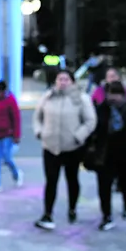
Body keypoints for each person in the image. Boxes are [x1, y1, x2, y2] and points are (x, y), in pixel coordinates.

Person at [33, 70, 96, 230]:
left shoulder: (81, 98)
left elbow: (90, 121)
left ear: (72, 82)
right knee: (51, 181)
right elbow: (37, 117)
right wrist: (40, 132)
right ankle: (47, 214)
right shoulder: (48, 97)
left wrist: (78, 136)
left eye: (66, 79)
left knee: (72, 179)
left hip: (72, 147)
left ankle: (72, 209)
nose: (62, 82)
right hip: (50, 146)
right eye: (59, 79)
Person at [90, 81, 126, 231]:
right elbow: (94, 131)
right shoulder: (101, 110)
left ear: (122, 95)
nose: (112, 97)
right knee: (104, 186)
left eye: (116, 94)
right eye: (110, 93)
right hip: (105, 154)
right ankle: (106, 216)